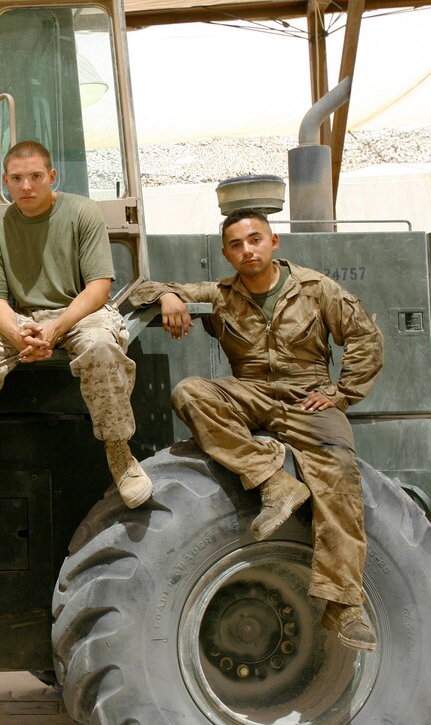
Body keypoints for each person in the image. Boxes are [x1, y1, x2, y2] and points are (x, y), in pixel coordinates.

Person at [128, 208, 384, 651]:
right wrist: (169, 296)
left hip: (308, 399)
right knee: (191, 392)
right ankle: (273, 480)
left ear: (273, 243)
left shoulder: (315, 288)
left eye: (255, 240)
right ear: (226, 253)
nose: (247, 250)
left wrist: (341, 394)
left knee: (339, 475)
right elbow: (140, 290)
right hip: (250, 394)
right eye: (236, 245)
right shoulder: (222, 294)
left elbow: (364, 337)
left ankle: (344, 605)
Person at [0, 140, 153, 508]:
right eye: (18, 179)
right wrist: (19, 334)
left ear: (51, 177)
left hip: (80, 313)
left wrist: (55, 328)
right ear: (6, 181)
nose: (27, 187)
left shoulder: (82, 213)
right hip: (24, 320)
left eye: (36, 177)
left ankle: (120, 454)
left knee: (102, 346)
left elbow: (99, 287)